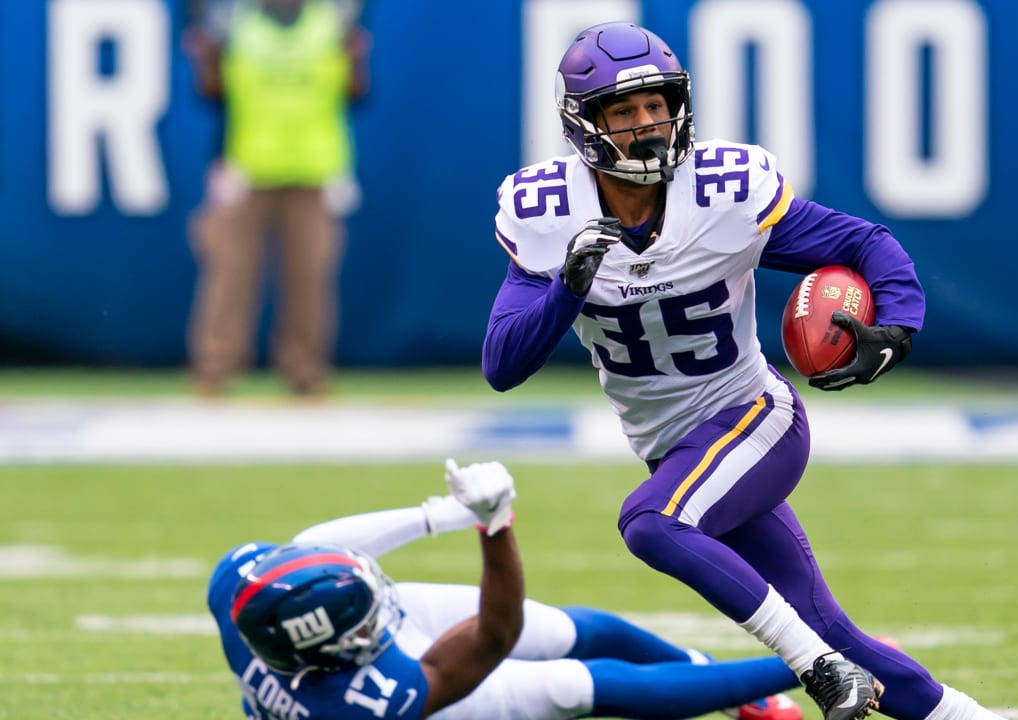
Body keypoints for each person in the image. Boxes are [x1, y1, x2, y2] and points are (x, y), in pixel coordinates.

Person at [482, 21, 1011, 720]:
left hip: (754, 418)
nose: (648, 124)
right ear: (585, 125)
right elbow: (503, 362)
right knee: (829, 626)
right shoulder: (549, 214)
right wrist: (567, 288)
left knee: (651, 523)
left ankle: (818, 672)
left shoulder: (723, 191)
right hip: (676, 448)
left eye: (658, 104)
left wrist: (899, 325)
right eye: (625, 110)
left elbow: (864, 242)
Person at [208, 458, 810, 720]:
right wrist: (493, 526)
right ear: (335, 651)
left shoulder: (240, 584)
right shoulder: (370, 699)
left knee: (572, 630)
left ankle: (728, 690)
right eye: (366, 623)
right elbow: (498, 635)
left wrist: (437, 515)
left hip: (338, 664)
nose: (380, 614)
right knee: (573, 685)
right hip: (423, 694)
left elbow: (313, 543)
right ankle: (797, 671)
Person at [184, 0, 370, 397]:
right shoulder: (236, 24)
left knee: (310, 280)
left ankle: (305, 371)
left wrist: (354, 57)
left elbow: (357, 90)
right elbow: (211, 90)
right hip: (247, 167)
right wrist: (207, 55)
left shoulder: (330, 24)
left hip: (313, 170)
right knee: (228, 276)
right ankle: (214, 369)